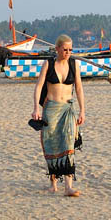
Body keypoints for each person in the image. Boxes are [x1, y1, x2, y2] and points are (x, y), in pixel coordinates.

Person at [31, 35, 85, 197]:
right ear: (58, 49)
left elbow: (79, 89)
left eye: (70, 49)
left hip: (67, 108)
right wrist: (36, 109)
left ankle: (69, 186)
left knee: (68, 144)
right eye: (65, 49)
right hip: (51, 109)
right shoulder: (49, 64)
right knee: (51, 144)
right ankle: (53, 184)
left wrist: (82, 110)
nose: (68, 52)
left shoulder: (74, 65)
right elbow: (39, 86)